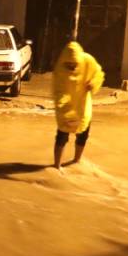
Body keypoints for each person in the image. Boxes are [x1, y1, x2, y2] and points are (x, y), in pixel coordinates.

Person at [51, 41, 104, 170]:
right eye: (69, 64)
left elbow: (98, 74)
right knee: (62, 136)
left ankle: (76, 160)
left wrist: (93, 83)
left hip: (83, 105)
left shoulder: (87, 61)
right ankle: (56, 166)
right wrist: (67, 111)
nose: (71, 67)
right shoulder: (59, 71)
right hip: (66, 108)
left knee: (83, 135)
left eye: (74, 64)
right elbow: (58, 92)